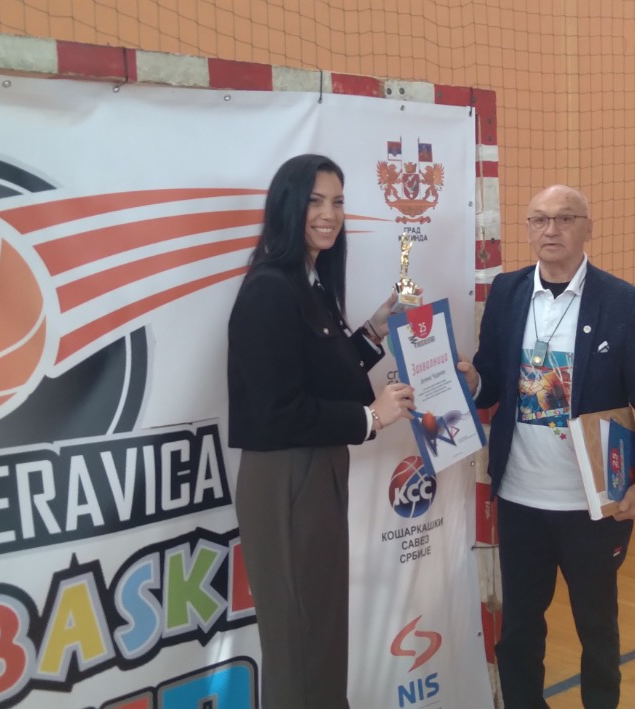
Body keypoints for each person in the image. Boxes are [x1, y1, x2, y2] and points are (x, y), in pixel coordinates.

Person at [460, 185, 635, 709]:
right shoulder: (507, 292)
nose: (550, 230)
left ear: (587, 228)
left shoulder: (623, 303)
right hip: (519, 499)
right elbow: (492, 381)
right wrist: (470, 382)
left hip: (591, 505)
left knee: (596, 630)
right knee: (519, 630)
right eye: (538, 219)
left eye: (564, 218)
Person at [226, 154, 415, 707]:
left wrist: (376, 330)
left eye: (337, 201)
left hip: (316, 470)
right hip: (287, 476)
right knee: (301, 639)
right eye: (315, 201)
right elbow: (278, 411)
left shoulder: (309, 284)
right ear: (288, 207)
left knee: (321, 629)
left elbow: (327, 375)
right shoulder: (270, 288)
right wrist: (371, 418)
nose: (329, 214)